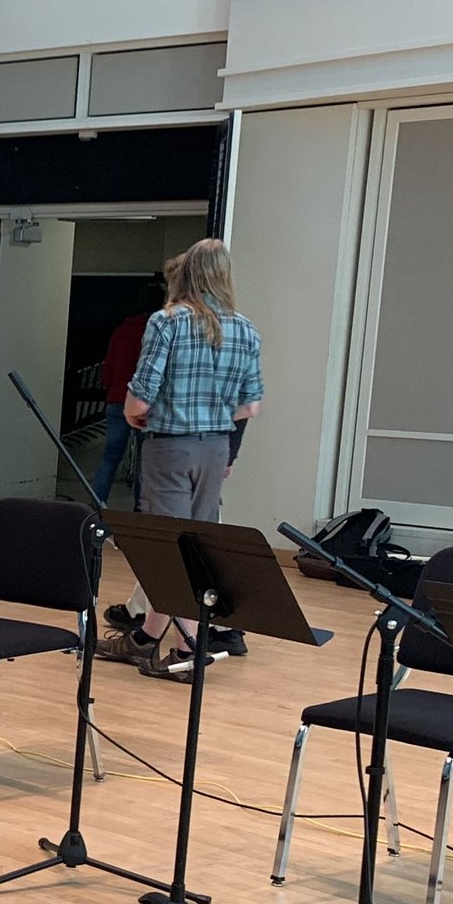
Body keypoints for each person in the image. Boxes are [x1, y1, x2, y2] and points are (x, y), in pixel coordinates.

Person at [96, 238, 263, 681]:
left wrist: (137, 414)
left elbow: (139, 395)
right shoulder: (245, 329)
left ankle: (190, 648)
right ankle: (146, 638)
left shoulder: (167, 322)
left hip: (170, 445)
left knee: (166, 550)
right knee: (194, 544)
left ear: (187, 273)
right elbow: (250, 406)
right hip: (217, 447)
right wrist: (225, 442)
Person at [92, 273, 163, 505]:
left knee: (110, 457)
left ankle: (97, 502)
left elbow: (108, 367)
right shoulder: (158, 334)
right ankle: (140, 508)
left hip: (117, 400)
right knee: (145, 462)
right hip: (146, 404)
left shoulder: (121, 332)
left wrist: (111, 389)